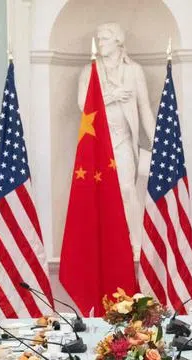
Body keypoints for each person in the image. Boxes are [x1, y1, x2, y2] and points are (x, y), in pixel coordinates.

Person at [78, 22, 155, 250]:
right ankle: (100, 241)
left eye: (104, 38)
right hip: (97, 142)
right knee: (96, 194)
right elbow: (83, 104)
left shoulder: (133, 70)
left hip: (123, 140)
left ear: (118, 41)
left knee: (126, 189)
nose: (100, 42)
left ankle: (130, 241)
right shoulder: (89, 70)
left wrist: (155, 142)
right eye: (99, 39)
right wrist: (112, 95)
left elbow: (144, 108)